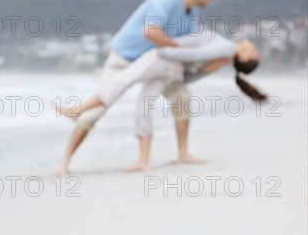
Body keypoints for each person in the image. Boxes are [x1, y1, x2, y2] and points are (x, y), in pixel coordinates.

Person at [55, 0, 225, 174]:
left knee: (182, 98)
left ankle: (183, 153)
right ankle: (64, 163)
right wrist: (181, 49)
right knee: (95, 112)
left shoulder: (191, 16)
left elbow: (181, 51)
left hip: (155, 64)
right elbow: (150, 32)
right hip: (125, 58)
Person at [55, 31, 267, 170]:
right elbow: (193, 72)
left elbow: (196, 53)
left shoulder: (228, 48)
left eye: (254, 53)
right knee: (144, 105)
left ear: (245, 57)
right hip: (173, 69)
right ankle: (144, 160)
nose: (253, 46)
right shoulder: (225, 56)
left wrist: (162, 50)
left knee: (122, 80)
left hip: (164, 58)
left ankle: (78, 110)